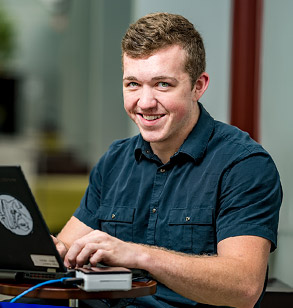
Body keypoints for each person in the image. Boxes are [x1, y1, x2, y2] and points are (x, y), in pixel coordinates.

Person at [53, 12, 282, 308]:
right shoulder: (114, 160)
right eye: (133, 84)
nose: (145, 103)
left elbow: (244, 286)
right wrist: (40, 247)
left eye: (162, 84)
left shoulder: (244, 165)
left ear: (198, 86)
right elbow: (64, 249)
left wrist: (139, 255)